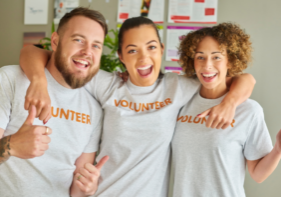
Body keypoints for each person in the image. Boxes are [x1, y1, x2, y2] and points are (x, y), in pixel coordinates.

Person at [19, 16, 256, 196]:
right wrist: (38, 81)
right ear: (121, 56)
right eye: (132, 50)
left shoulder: (179, 86)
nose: (143, 58)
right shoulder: (108, 85)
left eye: (151, 47)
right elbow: (33, 51)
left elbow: (245, 79)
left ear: (162, 50)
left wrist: (230, 103)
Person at [0, 8, 109, 197]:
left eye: (96, 45)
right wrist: (13, 145)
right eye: (78, 40)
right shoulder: (10, 79)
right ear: (56, 41)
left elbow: (76, 189)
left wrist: (87, 189)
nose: (87, 52)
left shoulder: (94, 110)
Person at [172, 23, 281, 197]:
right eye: (200, 57)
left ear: (230, 60)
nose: (207, 65)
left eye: (216, 57)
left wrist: (278, 149)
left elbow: (258, 175)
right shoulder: (180, 101)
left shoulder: (249, 110)